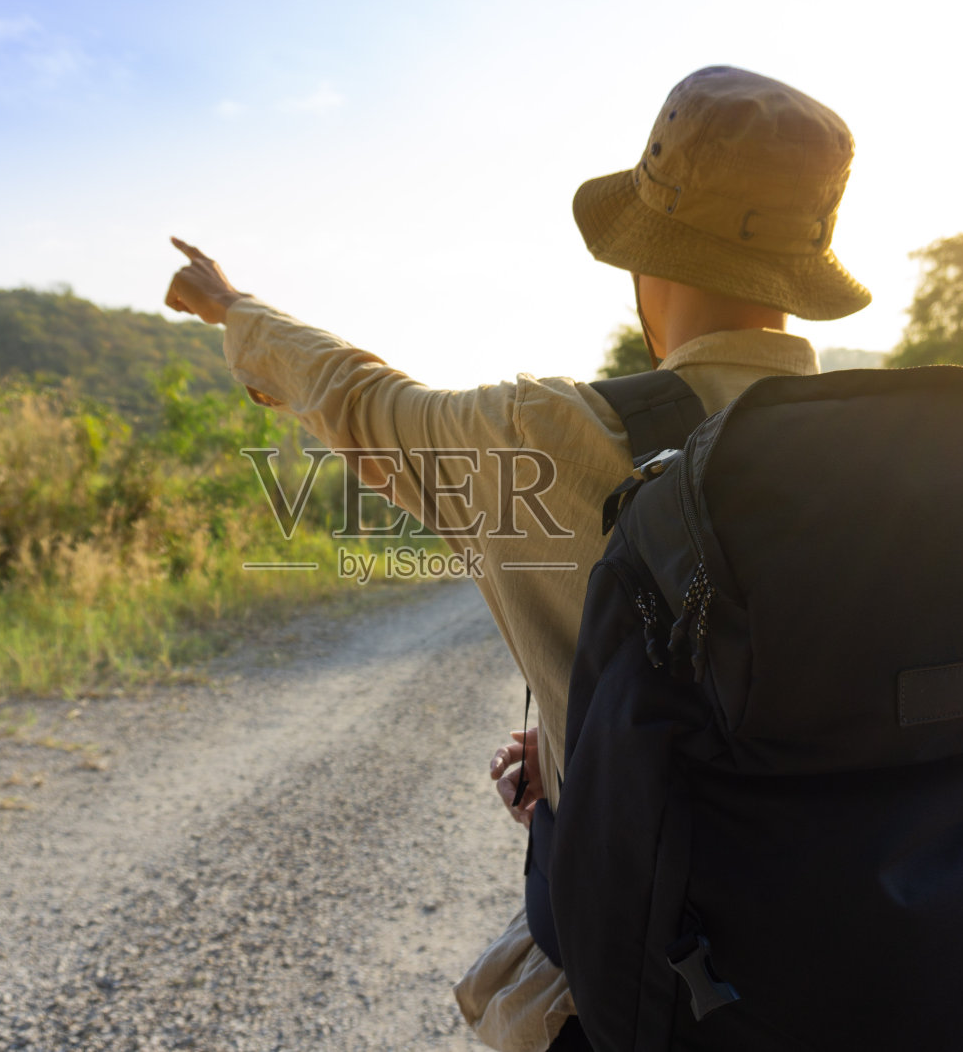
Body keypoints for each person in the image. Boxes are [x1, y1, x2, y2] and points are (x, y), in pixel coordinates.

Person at [164, 65, 870, 1052]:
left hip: (671, 993)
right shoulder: (896, 454)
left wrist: (230, 305)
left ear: (645, 252)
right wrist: (588, 747)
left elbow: (362, 402)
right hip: (885, 963)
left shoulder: (553, 436)